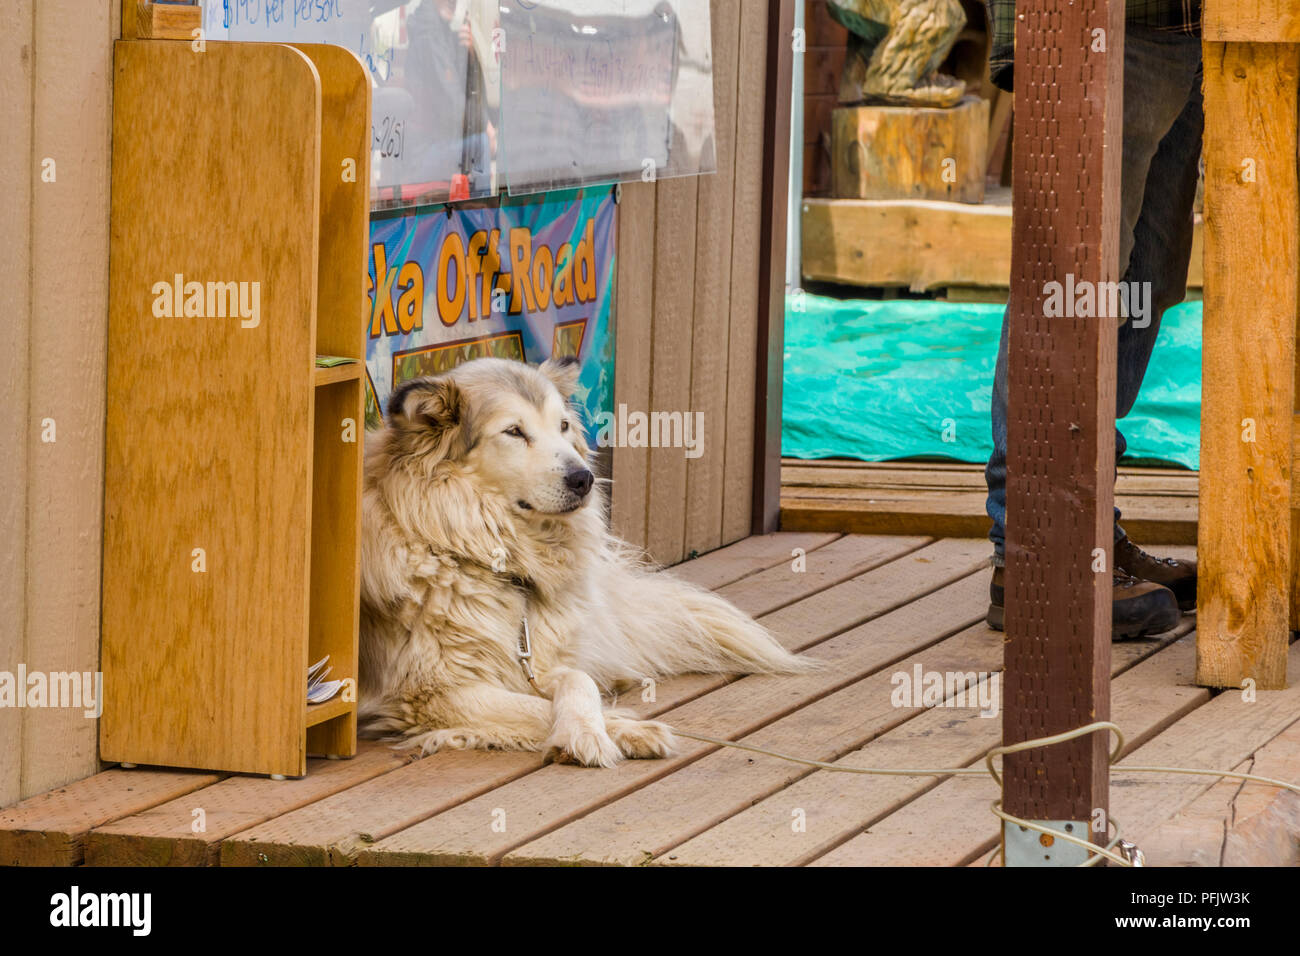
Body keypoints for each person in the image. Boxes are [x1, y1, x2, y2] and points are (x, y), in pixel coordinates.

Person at [982, 1, 1202, 638]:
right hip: (1098, 18)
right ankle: (1035, 550)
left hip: (1193, 28)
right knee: (1076, 281)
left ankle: (1092, 527)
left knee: (1143, 283)